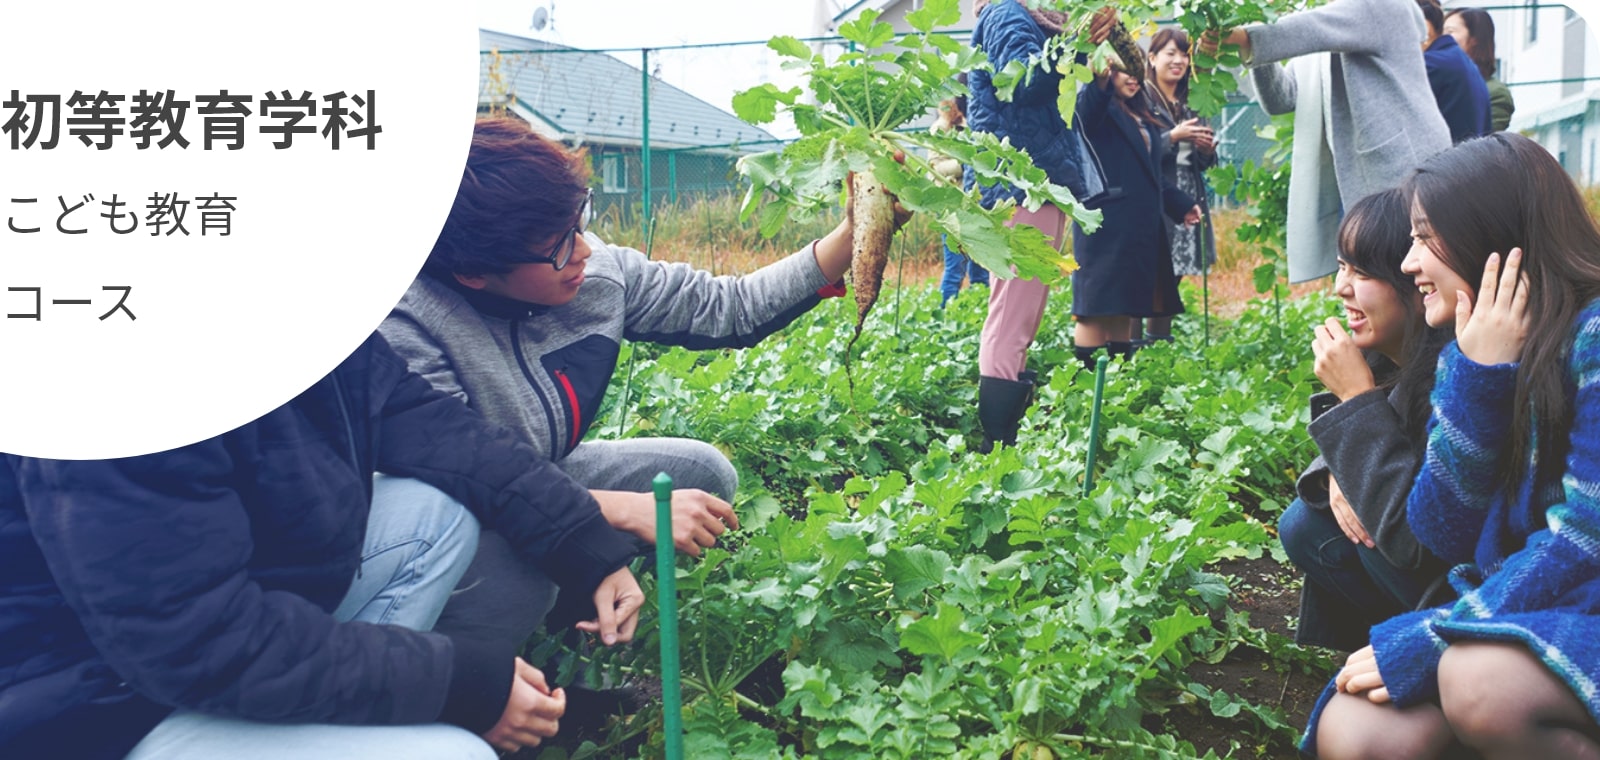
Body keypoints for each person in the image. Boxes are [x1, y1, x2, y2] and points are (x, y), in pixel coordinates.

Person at [382, 116, 902, 656]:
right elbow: (454, 486)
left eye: (579, 223)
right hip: (443, 512)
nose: (583, 251)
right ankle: (475, 696)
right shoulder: (405, 324)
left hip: (533, 478)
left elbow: (729, 307)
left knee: (698, 473)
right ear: (473, 272)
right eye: (558, 245)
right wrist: (619, 511)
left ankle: (573, 656)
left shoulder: (593, 273)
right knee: (514, 567)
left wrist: (850, 238)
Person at [0, 334, 644, 760]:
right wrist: (462, 685)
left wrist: (581, 542)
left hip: (186, 640)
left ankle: (317, 724)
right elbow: (193, 640)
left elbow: (430, 426)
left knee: (430, 514)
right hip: (86, 703)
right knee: (455, 755)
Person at [1305, 132, 1600, 759]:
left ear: (1486, 235)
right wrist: (1479, 376)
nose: (1410, 264)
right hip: (1523, 608)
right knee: (1355, 733)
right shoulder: (1472, 346)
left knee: (1479, 683)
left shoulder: (1593, 337)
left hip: (1579, 606)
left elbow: (1584, 542)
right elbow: (1441, 531)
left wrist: (1437, 633)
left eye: (1422, 236)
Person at [1277, 189, 1450, 653]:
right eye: (1342, 266)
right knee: (1303, 525)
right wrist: (1342, 467)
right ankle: (1380, 649)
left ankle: (1420, 653)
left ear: (1415, 282)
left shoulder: (1455, 374)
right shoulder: (1386, 357)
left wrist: (1354, 400)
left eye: (1363, 271)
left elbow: (1417, 539)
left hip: (1459, 586)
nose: (1341, 287)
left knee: (1364, 531)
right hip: (1417, 559)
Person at [1212, 0, 1452, 282]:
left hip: (1404, 169)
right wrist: (1250, 46)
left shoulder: (1381, 6)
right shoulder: (1332, 22)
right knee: (1376, 280)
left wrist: (1245, 33)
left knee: (1407, 280)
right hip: (1359, 174)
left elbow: (1309, 28)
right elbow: (1282, 98)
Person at [965, 0, 1113, 452]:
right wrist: (1079, 41)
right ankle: (997, 445)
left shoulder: (1028, 19)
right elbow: (1022, 82)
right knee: (1012, 316)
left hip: (1032, 180)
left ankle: (1003, 436)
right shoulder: (1006, 12)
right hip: (1019, 183)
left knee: (1019, 313)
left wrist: (1079, 43)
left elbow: (1049, 82)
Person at [1069, 55, 1201, 369]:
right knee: (1094, 310)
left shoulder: (1140, 112)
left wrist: (1181, 204)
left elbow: (1149, 174)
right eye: (1122, 70)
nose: (1133, 78)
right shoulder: (1095, 107)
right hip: (1105, 227)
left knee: (1122, 309)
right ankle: (1088, 389)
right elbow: (1088, 108)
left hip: (1136, 229)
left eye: (1136, 70)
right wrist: (1099, 78)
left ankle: (1117, 383)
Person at [1141, 27, 1217, 345]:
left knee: (1172, 276)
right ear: (1153, 57)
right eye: (1170, 53)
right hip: (1156, 196)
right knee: (1148, 275)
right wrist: (1173, 137)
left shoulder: (1191, 99)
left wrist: (1206, 150)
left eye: (1184, 55)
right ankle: (1135, 349)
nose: (1178, 61)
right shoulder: (1141, 97)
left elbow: (1201, 161)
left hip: (1188, 193)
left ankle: (1159, 345)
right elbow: (1135, 149)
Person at [930, 94, 990, 308]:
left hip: (974, 205)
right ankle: (944, 314)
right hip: (951, 206)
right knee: (955, 267)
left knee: (981, 265)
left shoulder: (969, 127)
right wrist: (965, 164)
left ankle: (979, 311)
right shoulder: (938, 130)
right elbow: (934, 168)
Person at [1415, 0, 1491, 143]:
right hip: (1470, 161)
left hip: (1443, 161)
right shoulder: (1465, 64)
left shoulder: (1431, 64)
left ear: (1425, 27)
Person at [1444, 7, 1515, 132]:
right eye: (1441, 32)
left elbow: (1483, 145)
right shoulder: (1437, 79)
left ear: (1475, 39)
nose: (1441, 38)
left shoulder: (1495, 92)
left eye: (1450, 32)